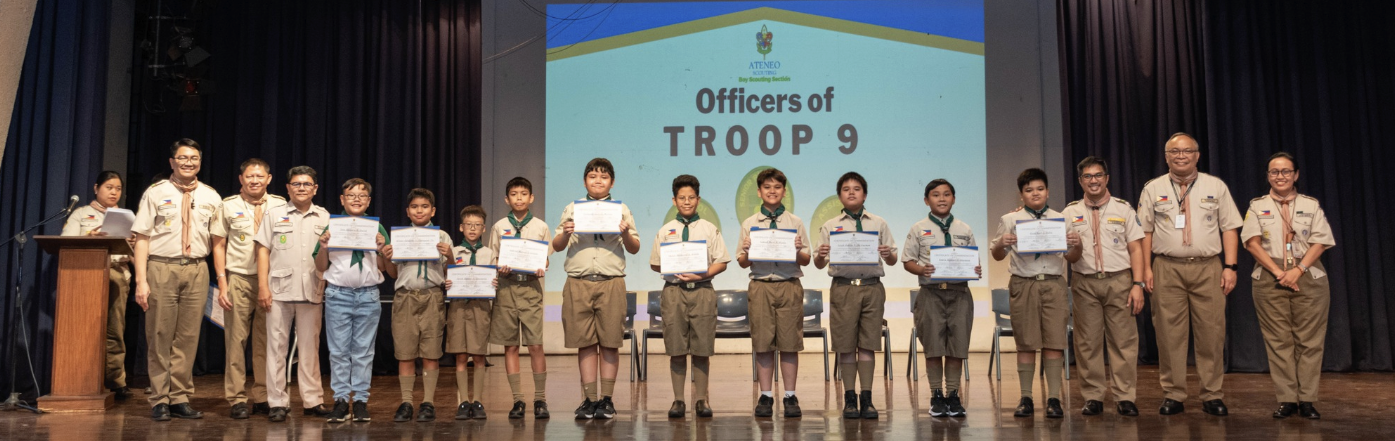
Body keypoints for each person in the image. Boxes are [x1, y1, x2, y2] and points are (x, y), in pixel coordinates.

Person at [1138, 132, 1242, 416]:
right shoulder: (1153, 188)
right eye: (1175, 151)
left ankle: (1212, 394)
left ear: (1197, 155)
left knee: (1212, 333)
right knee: (1168, 334)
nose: (1181, 156)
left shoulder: (1215, 186)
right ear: (1166, 157)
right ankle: (1173, 394)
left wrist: (1230, 266)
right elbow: (1144, 231)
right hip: (1166, 267)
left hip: (1208, 267)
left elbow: (1229, 227)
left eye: (1187, 151)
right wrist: (1145, 268)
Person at [131, 138, 223, 421]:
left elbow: (218, 241)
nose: (188, 163)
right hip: (162, 267)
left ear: (200, 162)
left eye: (194, 158)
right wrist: (141, 280)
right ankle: (160, 398)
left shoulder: (211, 196)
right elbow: (141, 238)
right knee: (159, 334)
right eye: (183, 158)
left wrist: (221, 278)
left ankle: (180, 397)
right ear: (172, 162)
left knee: (188, 336)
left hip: (197, 269)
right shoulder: (156, 192)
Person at [1240, 152, 1335, 419]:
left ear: (1296, 175)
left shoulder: (1310, 205)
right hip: (1269, 276)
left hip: (1308, 273)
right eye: (1274, 172)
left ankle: (1307, 400)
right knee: (1278, 340)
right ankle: (1287, 399)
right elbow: (1252, 243)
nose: (1280, 176)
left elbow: (1321, 241)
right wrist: (1279, 273)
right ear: (1268, 176)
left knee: (1310, 340)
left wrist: (1298, 270)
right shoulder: (1257, 206)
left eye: (1285, 171)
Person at [551, 158, 641, 420]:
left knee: (610, 342)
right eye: (592, 176)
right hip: (578, 282)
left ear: (612, 182)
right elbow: (557, 245)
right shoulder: (572, 208)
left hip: (611, 281)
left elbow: (634, 247)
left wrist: (625, 233)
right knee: (585, 343)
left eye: (603, 177)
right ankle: (589, 400)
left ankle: (607, 400)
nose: (598, 181)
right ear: (584, 182)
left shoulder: (621, 209)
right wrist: (566, 232)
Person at [990, 168, 1081, 419]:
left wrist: (1078, 245)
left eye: (1040, 189)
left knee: (1054, 341)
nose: (1035, 193)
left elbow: (1073, 257)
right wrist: (1001, 243)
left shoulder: (1061, 219)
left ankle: (1054, 398)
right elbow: (997, 255)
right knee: (1026, 342)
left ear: (1048, 191)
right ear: (1021, 195)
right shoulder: (1010, 219)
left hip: (1053, 283)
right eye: (1029, 190)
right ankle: (1026, 397)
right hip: (1024, 284)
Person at [1060, 157, 1145, 417]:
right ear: (1080, 181)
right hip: (1084, 282)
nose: (1093, 180)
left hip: (1119, 280)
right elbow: (1066, 254)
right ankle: (1093, 396)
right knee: (1087, 342)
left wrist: (1138, 284)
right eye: (1087, 176)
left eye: (1098, 175)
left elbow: (1136, 249)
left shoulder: (1124, 209)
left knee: (1123, 341)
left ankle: (1125, 397)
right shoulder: (1069, 213)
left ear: (1107, 178)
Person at [813, 172, 897, 420]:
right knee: (846, 344)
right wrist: (821, 255)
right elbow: (818, 263)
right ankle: (850, 398)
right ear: (839, 196)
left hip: (872, 288)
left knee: (869, 343)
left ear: (865, 194)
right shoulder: (830, 226)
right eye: (846, 189)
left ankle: (867, 398)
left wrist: (887, 253)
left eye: (857, 188)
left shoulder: (879, 223)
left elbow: (893, 259)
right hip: (843, 288)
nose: (851, 192)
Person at [210, 158, 288, 419]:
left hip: (272, 281)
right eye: (249, 176)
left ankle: (263, 395)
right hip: (239, 278)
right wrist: (222, 283)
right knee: (236, 340)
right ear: (241, 179)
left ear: (269, 179)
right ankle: (237, 398)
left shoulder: (280, 205)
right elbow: (218, 245)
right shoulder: (228, 205)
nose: (255, 181)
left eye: (260, 176)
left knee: (267, 341)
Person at [648, 175, 730, 419]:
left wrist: (701, 273)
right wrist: (671, 264)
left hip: (702, 291)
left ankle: (702, 400)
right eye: (682, 198)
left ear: (698, 199)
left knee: (702, 348)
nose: (686, 202)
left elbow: (722, 261)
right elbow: (654, 263)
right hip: (674, 292)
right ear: (674, 200)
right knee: (676, 348)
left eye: (691, 197)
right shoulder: (665, 231)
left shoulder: (709, 229)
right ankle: (678, 400)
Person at [900, 179, 981, 417]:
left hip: (959, 294)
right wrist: (921, 269)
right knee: (933, 348)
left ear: (953, 199)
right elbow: (907, 261)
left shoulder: (965, 229)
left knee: (957, 347)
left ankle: (953, 395)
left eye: (946, 194)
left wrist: (975, 269)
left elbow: (973, 261)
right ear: (927, 200)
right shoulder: (918, 228)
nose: (942, 199)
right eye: (936, 195)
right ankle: (936, 395)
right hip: (931, 294)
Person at [255, 165, 329, 422]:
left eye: (307, 184)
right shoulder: (274, 214)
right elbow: (262, 250)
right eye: (296, 184)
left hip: (311, 288)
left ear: (315, 189)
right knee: (276, 347)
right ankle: (277, 402)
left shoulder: (324, 216)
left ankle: (312, 400)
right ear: (287, 188)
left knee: (310, 347)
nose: (301, 188)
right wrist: (263, 286)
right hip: (278, 291)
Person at [736, 167, 812, 419]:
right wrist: (747, 250)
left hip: (789, 285)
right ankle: (766, 395)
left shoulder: (795, 222)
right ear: (759, 192)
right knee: (763, 343)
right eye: (767, 187)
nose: (772, 191)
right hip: (761, 286)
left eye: (777, 187)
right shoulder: (749, 224)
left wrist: (798, 249)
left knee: (790, 343)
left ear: (784, 191)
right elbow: (742, 262)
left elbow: (806, 259)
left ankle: (790, 395)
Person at [315, 178, 390, 423]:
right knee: (338, 352)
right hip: (338, 294)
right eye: (351, 195)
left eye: (362, 195)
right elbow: (320, 266)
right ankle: (340, 400)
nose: (356, 199)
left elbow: (385, 267)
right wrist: (323, 247)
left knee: (363, 352)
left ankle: (360, 401)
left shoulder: (377, 228)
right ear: (342, 199)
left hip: (368, 295)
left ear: (368, 201)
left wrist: (382, 249)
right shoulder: (331, 227)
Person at [60, 170, 135, 401]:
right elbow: (65, 243)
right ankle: (79, 378)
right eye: (109, 187)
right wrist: (89, 237)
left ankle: (116, 380)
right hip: (85, 275)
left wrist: (133, 243)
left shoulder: (127, 217)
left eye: (118, 188)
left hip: (117, 273)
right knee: (84, 329)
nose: (114, 192)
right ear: (96, 188)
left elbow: (137, 253)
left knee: (115, 329)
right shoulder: (81, 214)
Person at [382, 188, 454, 423]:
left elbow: (450, 273)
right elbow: (393, 273)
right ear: (407, 211)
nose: (419, 211)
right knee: (406, 353)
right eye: (414, 207)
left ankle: (428, 402)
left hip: (432, 296)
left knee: (431, 352)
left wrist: (450, 256)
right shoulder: (400, 237)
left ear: (433, 211)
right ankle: (406, 402)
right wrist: (387, 257)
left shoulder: (442, 236)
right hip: (405, 297)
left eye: (424, 207)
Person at [486, 177, 551, 419]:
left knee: (535, 345)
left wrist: (541, 266)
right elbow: (493, 257)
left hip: (530, 287)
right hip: (506, 287)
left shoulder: (541, 226)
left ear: (531, 198)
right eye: (514, 194)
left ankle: (540, 399)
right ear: (507, 199)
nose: (519, 198)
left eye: (524, 194)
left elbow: (545, 259)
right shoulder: (499, 226)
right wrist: (500, 267)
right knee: (510, 345)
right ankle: (517, 400)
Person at [445, 205, 497, 419]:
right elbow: (446, 275)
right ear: (461, 227)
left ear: (484, 228)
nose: (473, 228)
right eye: (469, 224)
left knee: (478, 355)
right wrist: (447, 282)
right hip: (458, 307)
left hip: (480, 307)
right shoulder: (454, 252)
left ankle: (478, 401)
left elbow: (493, 279)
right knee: (460, 355)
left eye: (477, 225)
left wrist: (494, 282)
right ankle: (463, 402)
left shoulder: (489, 253)